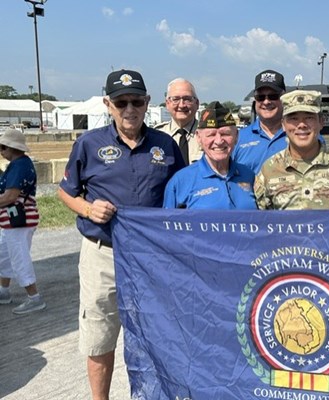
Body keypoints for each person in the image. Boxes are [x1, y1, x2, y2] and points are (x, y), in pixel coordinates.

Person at [58, 69, 184, 400]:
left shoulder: (165, 145)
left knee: (155, 335)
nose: (130, 109)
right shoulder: (88, 143)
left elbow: (182, 192)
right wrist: (87, 209)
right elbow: (65, 191)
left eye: (137, 101)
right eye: (121, 102)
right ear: (108, 104)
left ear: (147, 102)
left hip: (151, 258)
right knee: (100, 337)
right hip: (103, 253)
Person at [254, 90, 329, 210]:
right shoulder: (269, 170)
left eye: (309, 117)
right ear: (283, 125)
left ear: (321, 122)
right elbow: (261, 220)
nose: (301, 125)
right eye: (293, 118)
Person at [164, 101, 256, 209]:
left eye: (225, 134)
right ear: (198, 137)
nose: (218, 141)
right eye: (211, 135)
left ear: (236, 136)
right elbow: (167, 223)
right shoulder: (180, 181)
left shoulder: (249, 175)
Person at [0, 129, 45, 315]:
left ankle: (34, 298)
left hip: (18, 220)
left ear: (12, 148)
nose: (1, 151)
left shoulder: (19, 166)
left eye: (2, 147)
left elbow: (10, 196)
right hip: (13, 220)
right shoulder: (18, 164)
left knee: (19, 258)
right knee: (5, 255)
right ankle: (3, 291)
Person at [232, 69, 288, 174]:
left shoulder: (302, 136)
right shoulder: (237, 139)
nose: (266, 102)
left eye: (273, 96)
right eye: (260, 97)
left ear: (284, 98)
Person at [154, 78, 202, 165]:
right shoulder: (156, 136)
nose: (181, 105)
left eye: (187, 99)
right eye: (175, 99)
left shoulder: (208, 135)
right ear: (167, 104)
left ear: (197, 103)